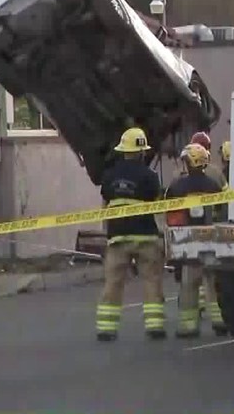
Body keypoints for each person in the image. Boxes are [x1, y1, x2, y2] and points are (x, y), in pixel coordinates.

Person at [95, 127, 165, 341]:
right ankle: (155, 327)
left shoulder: (109, 176)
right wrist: (164, 236)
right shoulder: (150, 177)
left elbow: (105, 205)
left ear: (122, 150)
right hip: (146, 237)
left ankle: (106, 329)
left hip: (118, 238)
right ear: (143, 151)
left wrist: (105, 231)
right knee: (152, 280)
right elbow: (159, 207)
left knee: (113, 282)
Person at [166, 143, 227, 338]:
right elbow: (222, 211)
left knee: (189, 284)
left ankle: (188, 326)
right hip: (212, 239)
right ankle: (220, 321)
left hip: (189, 241)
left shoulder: (177, 186)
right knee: (213, 283)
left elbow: (170, 215)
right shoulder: (214, 185)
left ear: (190, 162)